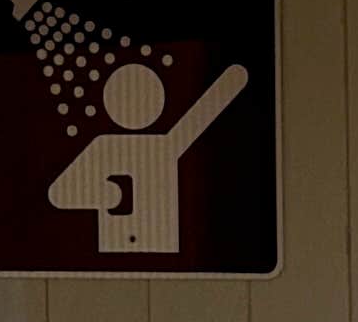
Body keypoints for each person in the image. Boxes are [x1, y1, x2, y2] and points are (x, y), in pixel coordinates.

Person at [46, 54, 247, 256]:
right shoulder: (105, 146)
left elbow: (197, 121)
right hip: (116, 245)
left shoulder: (164, 146)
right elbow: (58, 194)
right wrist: (109, 194)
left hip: (164, 246)